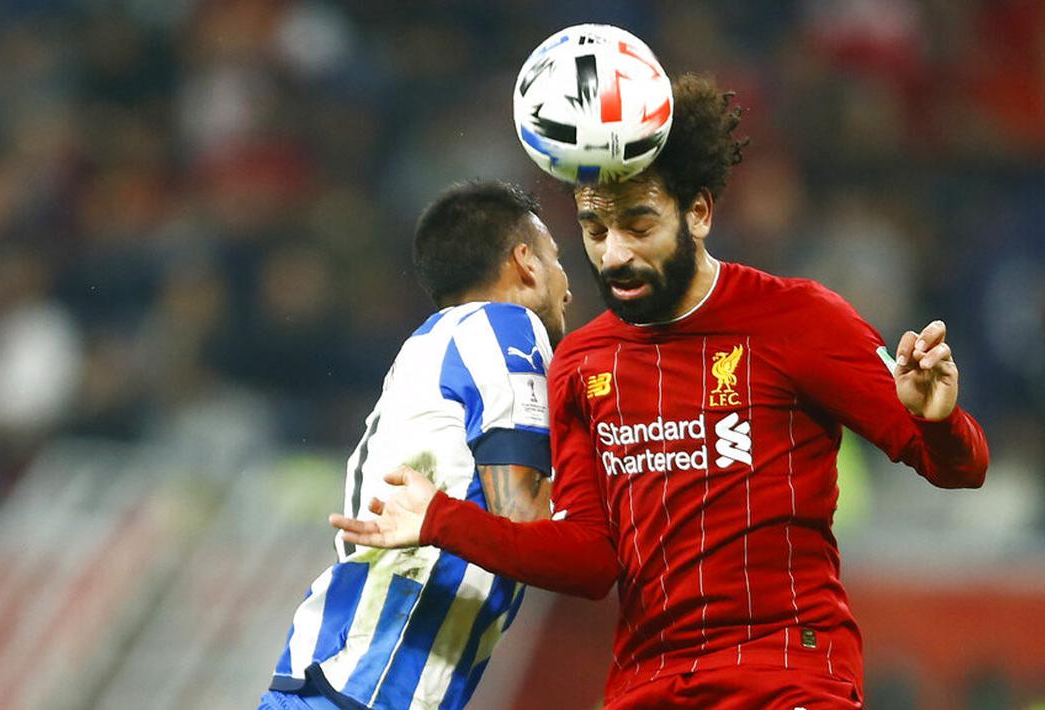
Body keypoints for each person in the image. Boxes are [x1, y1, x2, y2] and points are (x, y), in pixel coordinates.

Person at [332, 74, 989, 709]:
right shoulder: (582, 364)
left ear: (697, 212)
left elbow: (957, 467)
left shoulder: (799, 320)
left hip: (785, 672)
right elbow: (590, 560)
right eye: (594, 233)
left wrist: (936, 420)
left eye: (637, 226)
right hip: (648, 683)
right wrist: (440, 521)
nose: (613, 254)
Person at [259, 180, 571, 710]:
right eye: (557, 259)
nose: (567, 286)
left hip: (342, 677)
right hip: (371, 686)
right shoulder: (506, 327)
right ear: (526, 262)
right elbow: (525, 525)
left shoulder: (432, 342)